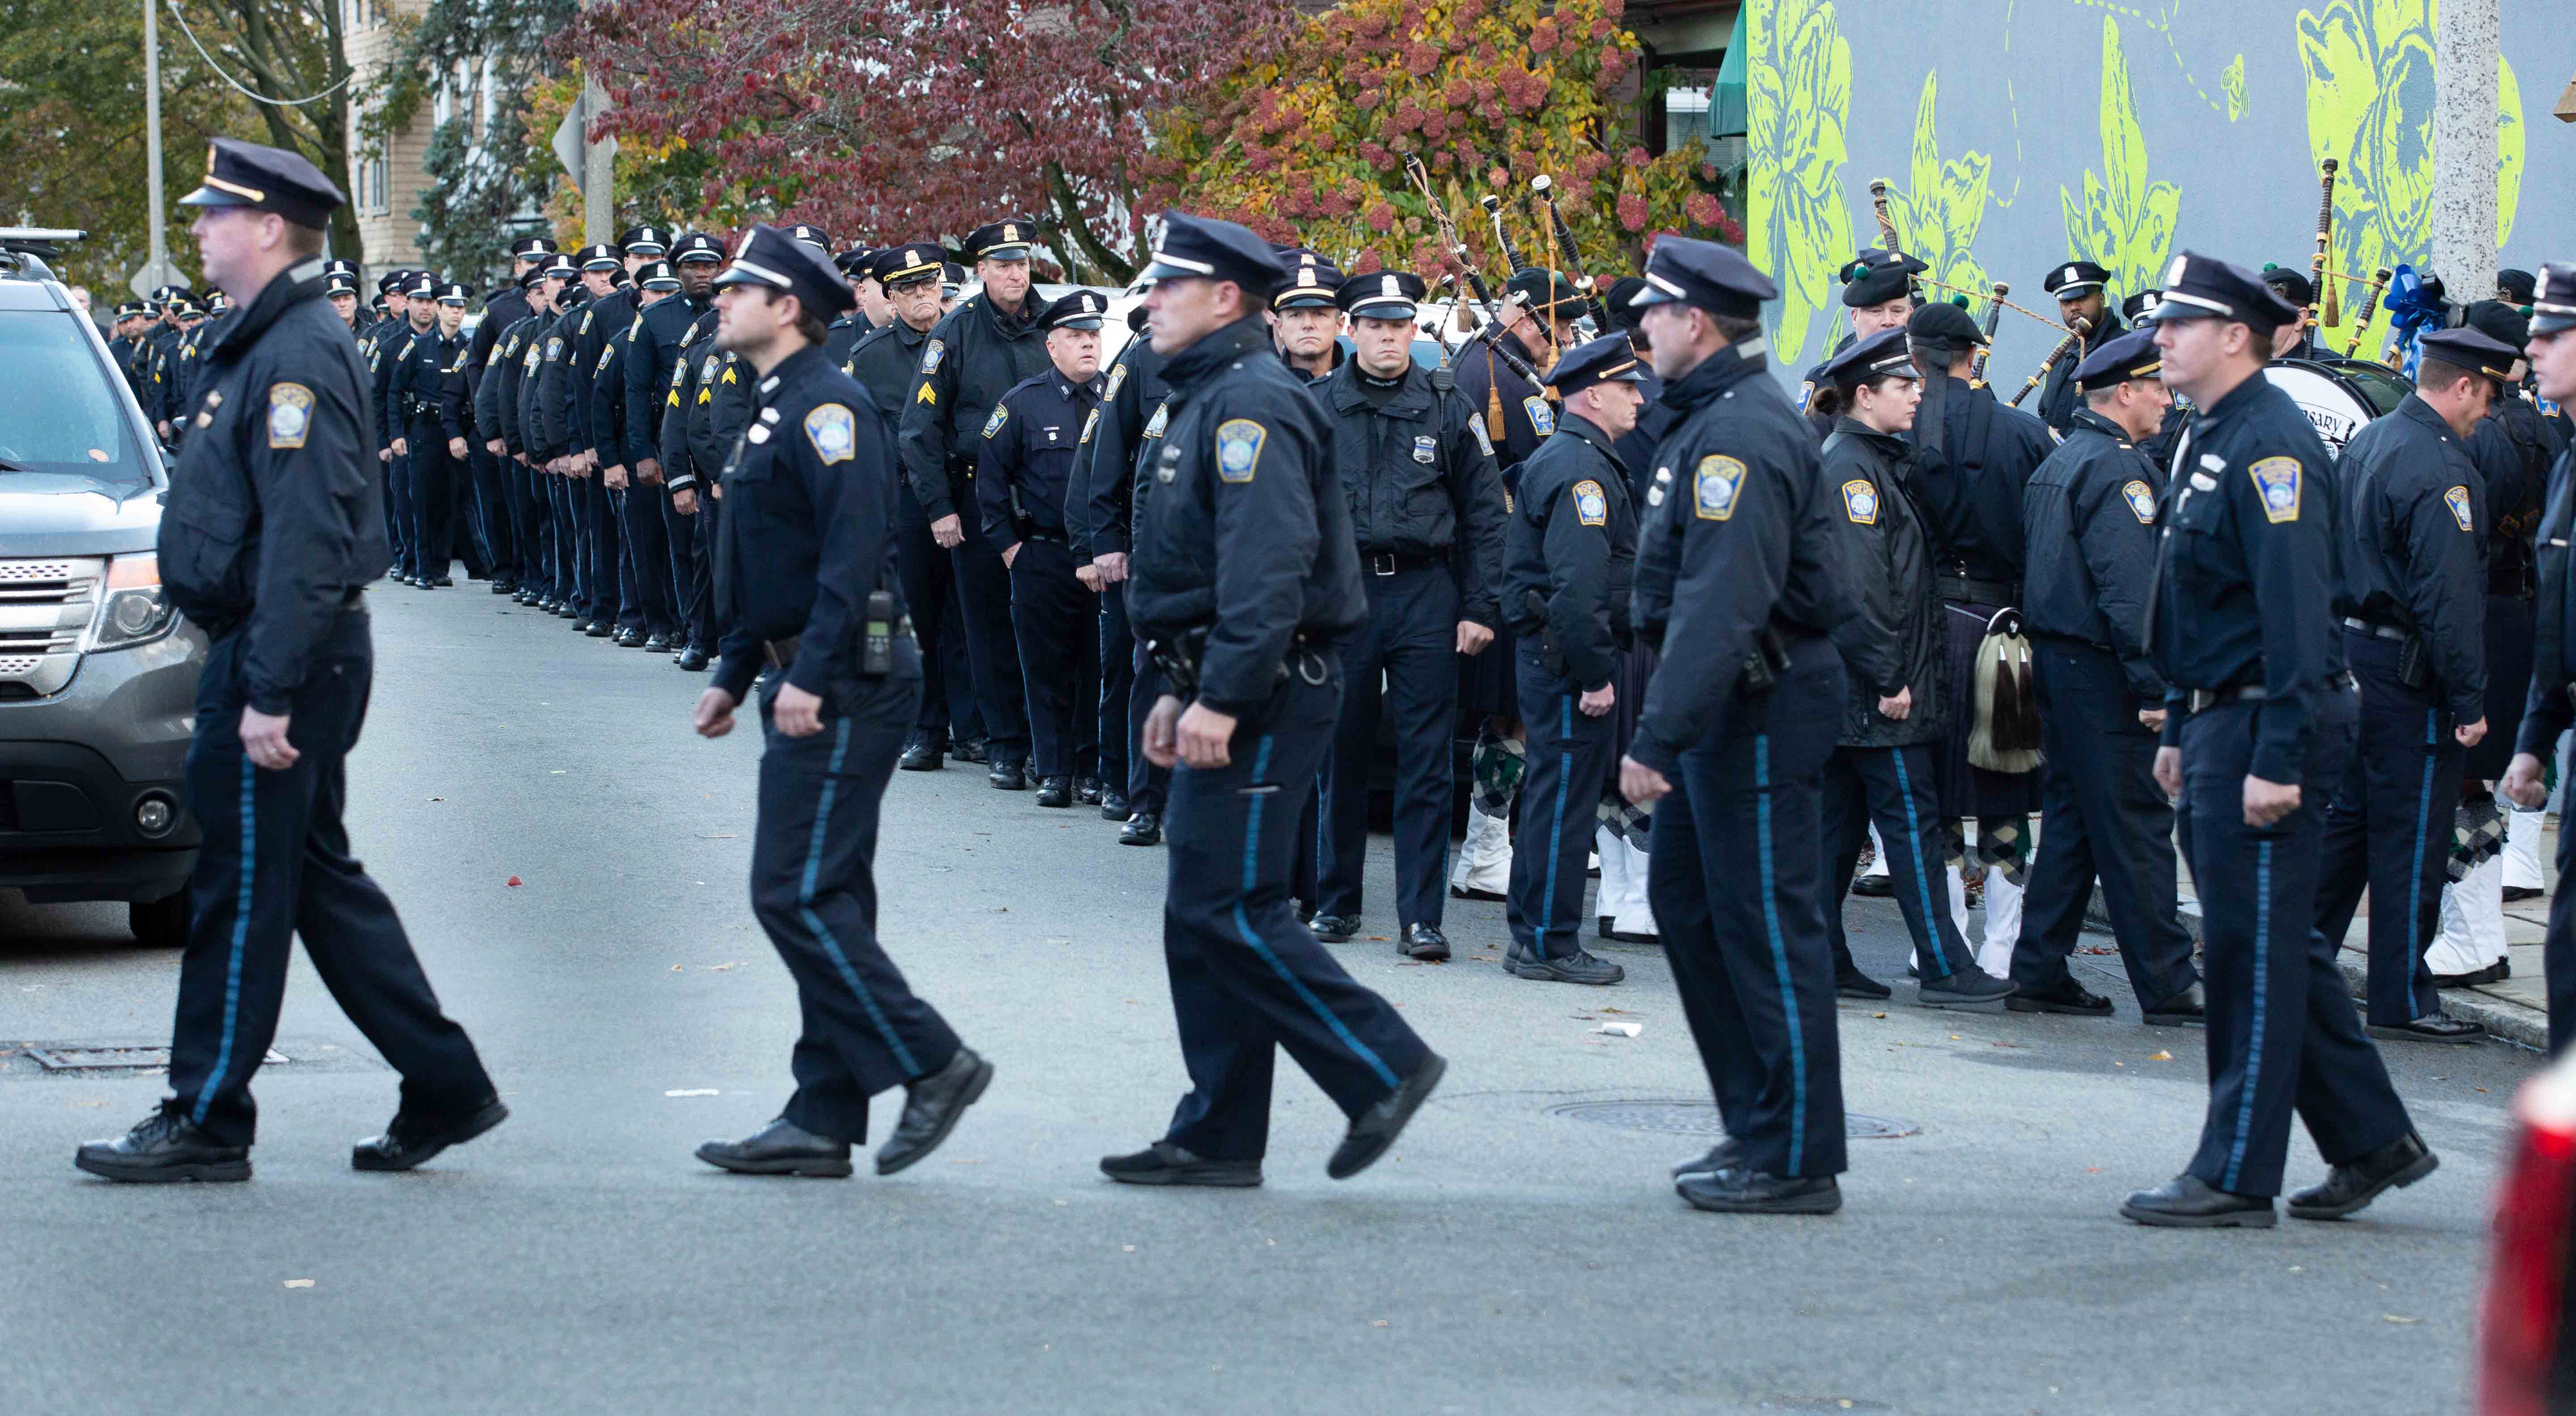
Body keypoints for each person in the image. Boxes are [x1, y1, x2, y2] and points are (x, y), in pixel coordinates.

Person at [76, 140, 503, 1183]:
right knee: (311, 880)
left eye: (215, 215)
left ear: (268, 228)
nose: (199, 230)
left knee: (236, 885)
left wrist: (269, 688)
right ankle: (445, 1083)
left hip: (286, 660)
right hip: (276, 649)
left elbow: (308, 535)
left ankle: (207, 1114)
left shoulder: (298, 355)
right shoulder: (260, 339)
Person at [1105, 212, 1445, 1189]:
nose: (1149, 301)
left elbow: (1265, 570)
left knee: (1235, 906)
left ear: (1221, 299)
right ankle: (1218, 1131)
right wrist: (1181, 688)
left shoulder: (1251, 403)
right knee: (1198, 913)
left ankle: (1381, 1063)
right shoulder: (1209, 394)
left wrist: (1218, 696)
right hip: (1224, 681)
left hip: (1262, 691)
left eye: (1167, 286)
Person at [2123, 251, 2435, 1228]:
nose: (2159, 338)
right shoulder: (2207, 432)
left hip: (2268, 715)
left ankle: (2232, 1172)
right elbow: (2195, 598)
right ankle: (2372, 1139)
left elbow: (2298, 615)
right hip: (2220, 711)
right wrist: (2179, 717)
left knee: (2247, 954)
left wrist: (2277, 756)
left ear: (2232, 337)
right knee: (2275, 945)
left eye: (2179, 323)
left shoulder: (2271, 444)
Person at [687, 225, 992, 1179]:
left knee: (791, 890)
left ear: (786, 310)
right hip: (810, 667)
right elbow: (770, 558)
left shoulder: (830, 407)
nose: (719, 303)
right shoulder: (779, 402)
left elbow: (854, 555)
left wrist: (809, 676)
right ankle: (823, 1114)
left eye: (738, 291)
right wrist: (734, 672)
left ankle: (933, 1060)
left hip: (849, 674)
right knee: (830, 896)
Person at [1621, 237, 1859, 1215]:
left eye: (1653, 312)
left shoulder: (1738, 435)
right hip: (1727, 701)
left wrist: (1653, 739)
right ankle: (1757, 1121)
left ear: (1695, 322)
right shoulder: (1708, 417)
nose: (1638, 329)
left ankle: (1796, 1151)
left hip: (1758, 702)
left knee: (1765, 924)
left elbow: (1722, 601)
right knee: (1686, 903)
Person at [2310, 325, 2517, 1045]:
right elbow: (2447, 597)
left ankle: (2294, 960)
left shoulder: (2372, 439)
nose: (2487, 412)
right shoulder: (2441, 469)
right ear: (2461, 385)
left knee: (2347, 825)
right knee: (2411, 838)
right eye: (2487, 396)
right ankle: (2400, 997)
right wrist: (2468, 701)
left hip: (2353, 659)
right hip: (2409, 676)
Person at [1810, 329, 2015, 1010]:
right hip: (1876, 692)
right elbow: (1859, 587)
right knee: (1911, 824)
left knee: (1836, 832)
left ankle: (1817, 955)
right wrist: (1888, 677)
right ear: (1864, 396)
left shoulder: (1870, 461)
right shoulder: (1850, 470)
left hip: (1862, 688)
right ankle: (1942, 964)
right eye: (1902, 386)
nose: (1916, 394)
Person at [1307, 269, 1505, 960]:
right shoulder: (1315, 405)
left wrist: (1481, 606)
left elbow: (1485, 514)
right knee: (1340, 752)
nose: (1388, 338)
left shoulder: (1448, 405)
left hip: (1426, 594)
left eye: (1399, 327)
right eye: (1374, 326)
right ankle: (1335, 905)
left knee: (1425, 762)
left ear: (1412, 332)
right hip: (1344, 594)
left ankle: (1422, 918)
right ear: (1349, 330)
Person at [2008, 327, 2203, 1023]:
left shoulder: (2065, 459)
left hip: (2063, 665)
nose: (2165, 397)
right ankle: (2169, 983)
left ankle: (2036, 966)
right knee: (2136, 823)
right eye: (2155, 386)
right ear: (2125, 392)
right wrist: (2154, 687)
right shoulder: (2119, 471)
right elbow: (2129, 593)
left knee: (2073, 822)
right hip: (2105, 672)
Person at [1905, 299, 2055, 978]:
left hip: (1923, 629)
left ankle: (1937, 939)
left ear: (1914, 359)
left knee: (1930, 788)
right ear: (1976, 356)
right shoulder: (2025, 434)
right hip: (2002, 627)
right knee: (2003, 786)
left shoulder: (1899, 430)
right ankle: (2001, 945)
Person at [1499, 332, 1642, 987]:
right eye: (1626, 387)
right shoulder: (1581, 469)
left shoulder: (1576, 458)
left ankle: (1531, 934)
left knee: (1550, 796)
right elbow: (1578, 585)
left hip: (1551, 655)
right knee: (1564, 803)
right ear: (1592, 395)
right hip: (1566, 662)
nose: (1637, 397)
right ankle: (1550, 942)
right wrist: (1593, 676)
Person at [2431, 300, 2565, 982]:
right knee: (2473, 779)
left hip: (2486, 610)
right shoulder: (2546, 427)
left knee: (2462, 782)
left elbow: (2467, 541)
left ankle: (2474, 937)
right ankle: (2475, 934)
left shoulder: (2484, 435)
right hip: (2517, 609)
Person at [899, 217, 1051, 790]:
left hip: (1044, 500)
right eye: (1003, 264)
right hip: (976, 497)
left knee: (1042, 628)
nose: (1015, 273)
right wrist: (939, 508)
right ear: (981, 269)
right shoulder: (955, 331)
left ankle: (1050, 746)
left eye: (1022, 262)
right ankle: (1005, 745)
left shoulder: (1050, 327)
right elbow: (919, 429)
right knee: (985, 626)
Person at [978, 289, 1109, 807]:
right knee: (1046, 667)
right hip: (1043, 556)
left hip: (1103, 559)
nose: (1087, 346)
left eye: (1093, 336)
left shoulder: (1115, 401)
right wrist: (1013, 550)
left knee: (1098, 668)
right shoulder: (1021, 403)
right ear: (1051, 346)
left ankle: (1092, 769)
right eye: (1075, 337)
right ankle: (1054, 770)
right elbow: (990, 482)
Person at [849, 243, 978, 756]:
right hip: (907, 501)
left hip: (968, 491)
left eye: (928, 285)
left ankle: (973, 728)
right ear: (890, 298)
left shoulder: (969, 338)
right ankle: (924, 728)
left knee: (968, 615)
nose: (922, 295)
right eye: (907, 289)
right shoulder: (870, 357)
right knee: (916, 616)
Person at [2502, 262, 2576, 1055]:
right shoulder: (2564, 458)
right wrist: (2531, 739)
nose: (2533, 346)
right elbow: (2556, 612)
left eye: (2553, 334)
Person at [1079, 304, 1175, 846]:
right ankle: (1145, 803)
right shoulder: (1142, 360)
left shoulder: (1253, 361)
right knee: (1150, 676)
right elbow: (1108, 456)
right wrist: (1107, 543)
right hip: (1157, 552)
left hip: (1230, 555)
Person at [649, 232, 728, 670]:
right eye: (695, 266)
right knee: (708, 559)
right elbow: (679, 411)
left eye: (711, 266)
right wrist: (680, 476)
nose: (704, 273)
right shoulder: (704, 329)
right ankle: (700, 637)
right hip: (711, 468)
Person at [1795, 248, 1922, 438]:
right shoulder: (1825, 379)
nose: (1888, 321)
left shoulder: (1926, 372)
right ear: (1855, 317)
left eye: (1897, 311)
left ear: (1910, 314)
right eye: (1876, 312)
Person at [2035, 259, 2121, 433]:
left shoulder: (2124, 350)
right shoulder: (2061, 355)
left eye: (2081, 298)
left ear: (2101, 298)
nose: (2074, 307)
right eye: (2066, 303)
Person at [1271, 249, 1345, 384]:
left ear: (1339, 325)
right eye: (1296, 315)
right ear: (1279, 326)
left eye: (1319, 314)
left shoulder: (1365, 388)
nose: (1308, 324)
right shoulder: (1258, 390)